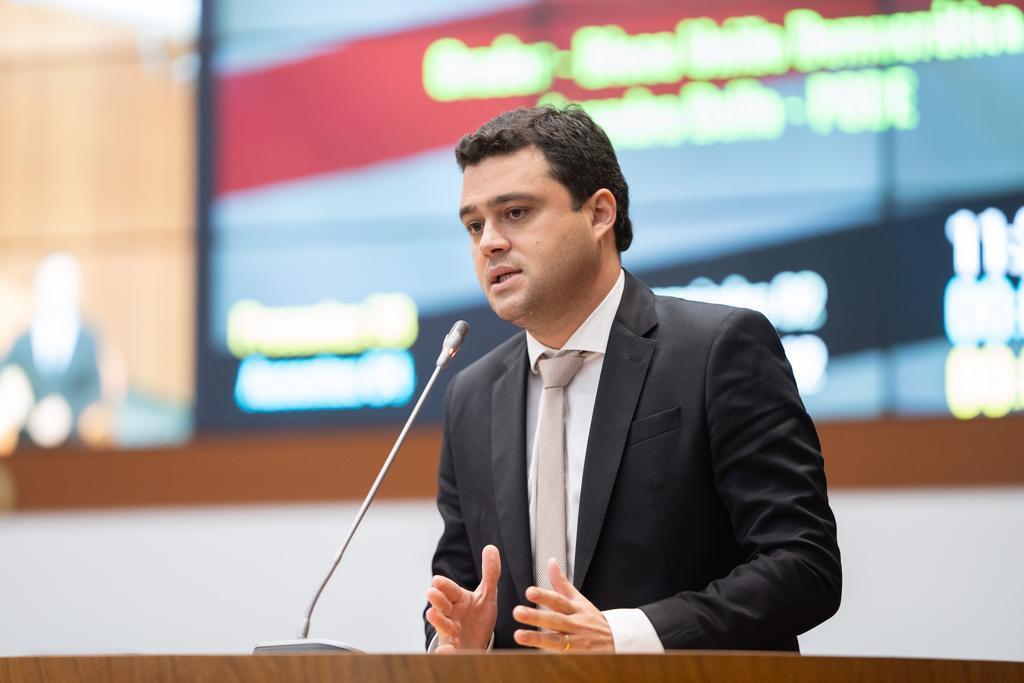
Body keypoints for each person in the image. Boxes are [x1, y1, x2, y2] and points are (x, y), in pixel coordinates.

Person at [423, 105, 841, 653]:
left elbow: (804, 565)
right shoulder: (472, 395)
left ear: (599, 213)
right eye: (474, 225)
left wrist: (624, 637)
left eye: (516, 213)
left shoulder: (716, 350)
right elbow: (458, 591)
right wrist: (459, 645)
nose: (489, 243)